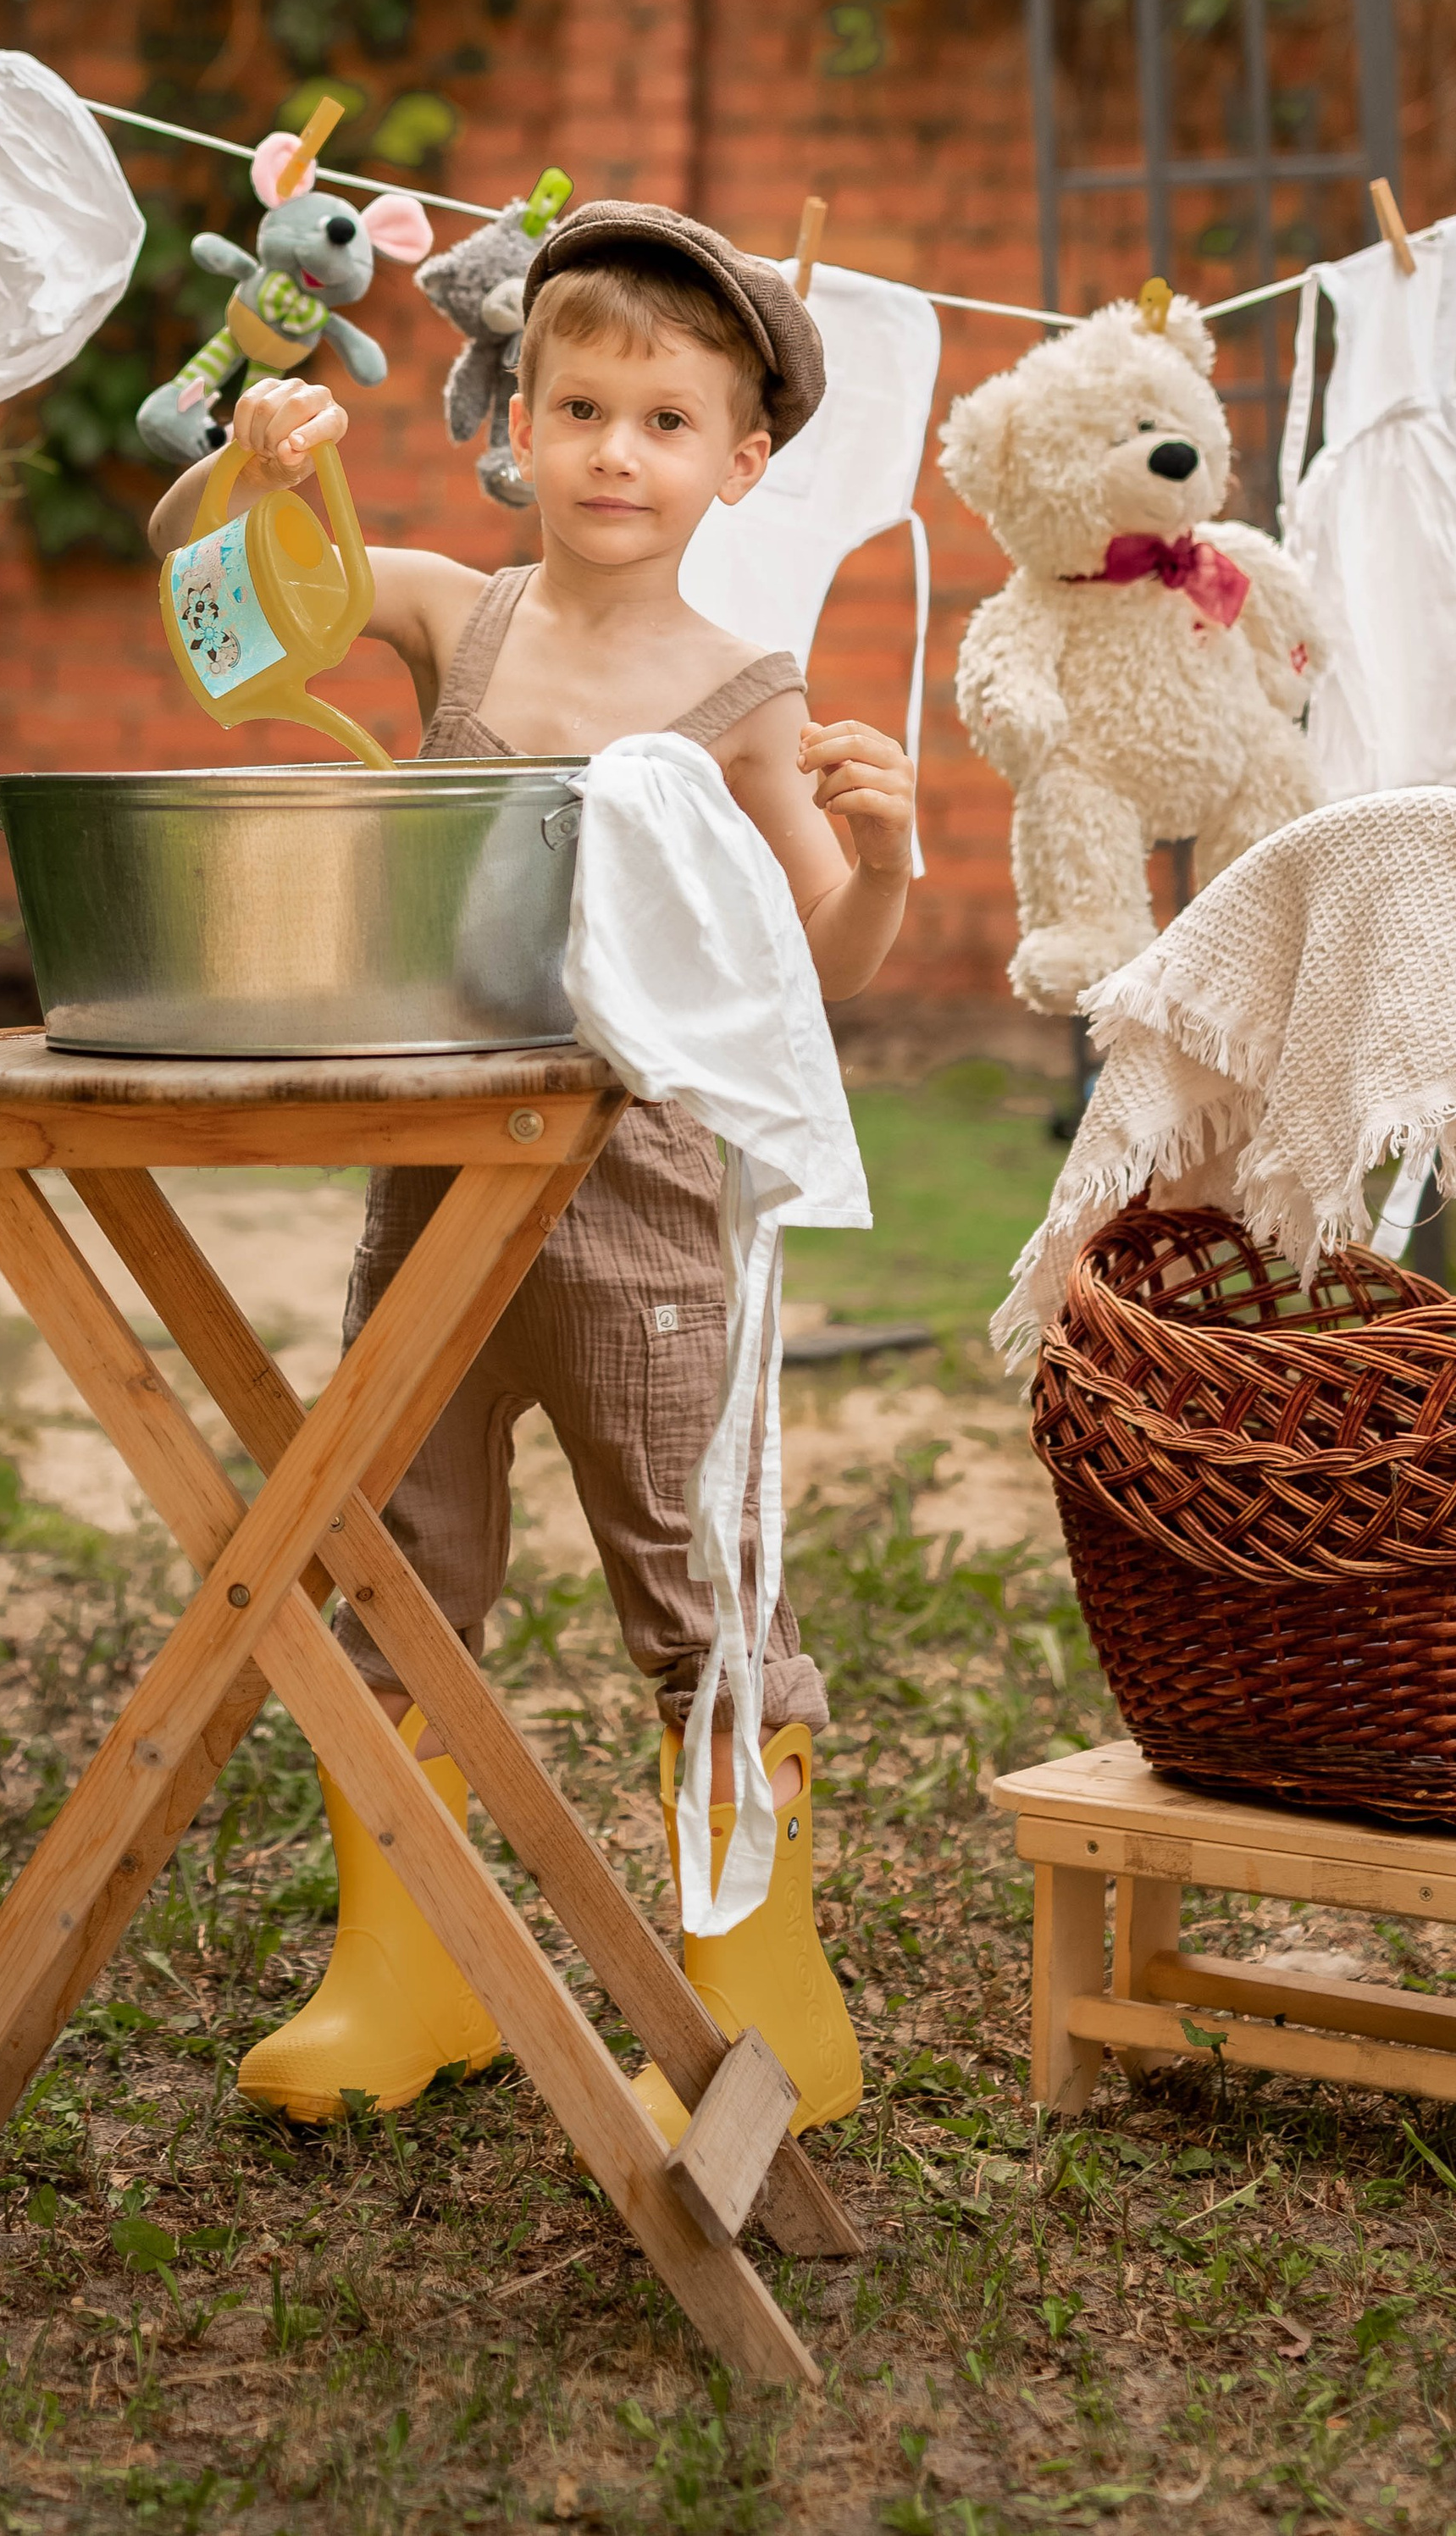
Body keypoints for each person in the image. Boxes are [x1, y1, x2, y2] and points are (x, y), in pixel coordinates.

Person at [147, 200, 916, 2140]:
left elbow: (815, 970)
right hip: (434, 1180)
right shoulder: (447, 612)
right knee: (395, 1554)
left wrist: (891, 857)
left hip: (638, 1209)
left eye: (664, 422)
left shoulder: (740, 696)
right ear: (514, 419)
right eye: (577, 408)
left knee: (693, 1574)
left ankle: (771, 2008)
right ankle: (403, 1973)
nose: (612, 453)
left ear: (740, 460)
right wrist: (251, 471)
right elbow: (200, 585)